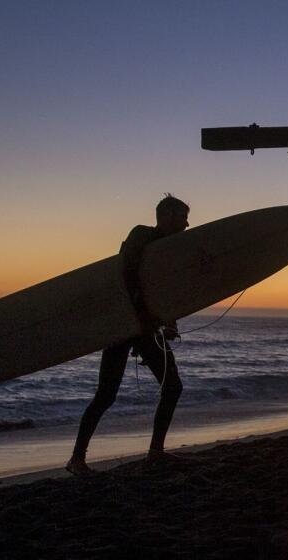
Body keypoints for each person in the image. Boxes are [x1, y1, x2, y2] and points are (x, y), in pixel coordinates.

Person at [66, 194, 190, 477]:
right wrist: (144, 318)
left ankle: (156, 452)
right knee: (106, 395)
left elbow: (166, 290)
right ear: (167, 216)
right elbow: (130, 275)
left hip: (145, 330)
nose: (187, 224)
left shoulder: (170, 250)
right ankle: (76, 459)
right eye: (183, 217)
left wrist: (171, 322)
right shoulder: (141, 235)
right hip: (122, 327)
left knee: (173, 386)